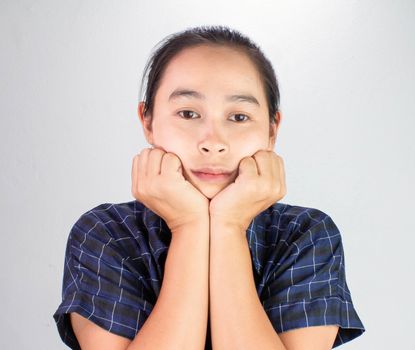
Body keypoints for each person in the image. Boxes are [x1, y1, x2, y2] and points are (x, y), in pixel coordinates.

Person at [53, 25, 365, 349]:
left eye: (239, 117)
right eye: (188, 113)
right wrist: (189, 226)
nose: (213, 143)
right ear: (147, 121)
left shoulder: (305, 235)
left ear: (273, 130)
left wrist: (228, 226)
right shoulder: (105, 235)